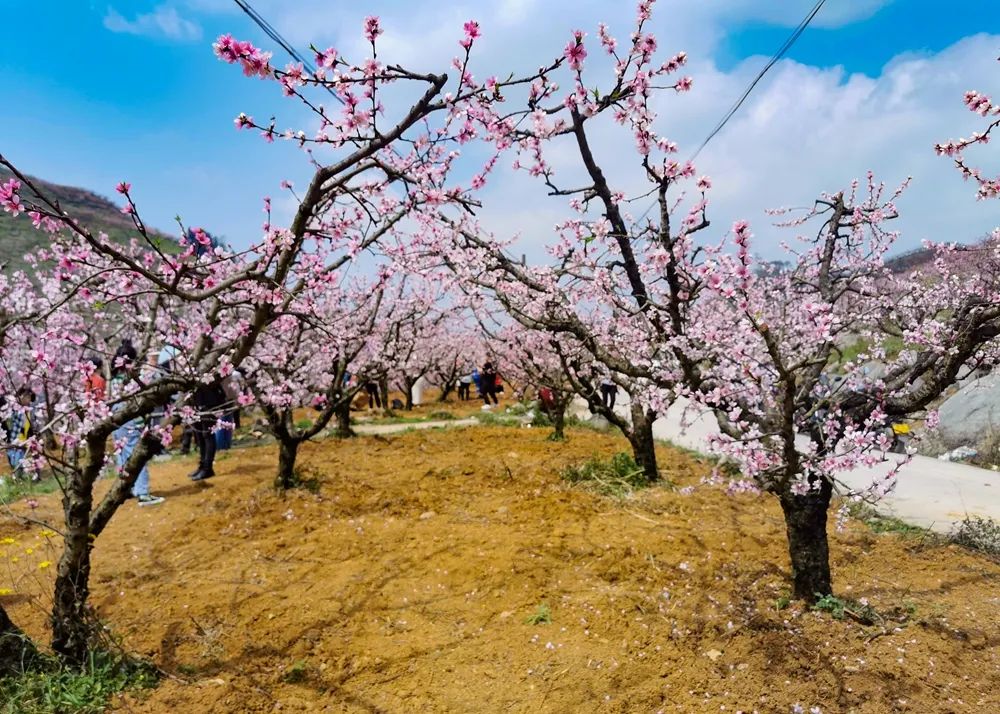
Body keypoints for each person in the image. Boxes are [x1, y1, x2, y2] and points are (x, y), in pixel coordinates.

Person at [110, 355, 164, 506]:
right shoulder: (132, 380)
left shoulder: (114, 380)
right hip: (131, 422)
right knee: (138, 456)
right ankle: (143, 493)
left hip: (116, 420)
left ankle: (125, 489)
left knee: (122, 456)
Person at [190, 378, 227, 481]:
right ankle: (202, 465)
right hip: (196, 401)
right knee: (199, 435)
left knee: (207, 435)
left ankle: (208, 468)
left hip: (210, 402)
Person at [5, 387, 35, 480]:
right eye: (26, 397)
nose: (28, 399)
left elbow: (28, 426)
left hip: (24, 440)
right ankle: (17, 479)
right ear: (19, 397)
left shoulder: (28, 411)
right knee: (15, 460)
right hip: (13, 439)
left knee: (22, 460)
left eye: (29, 397)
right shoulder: (13, 408)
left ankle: (21, 479)